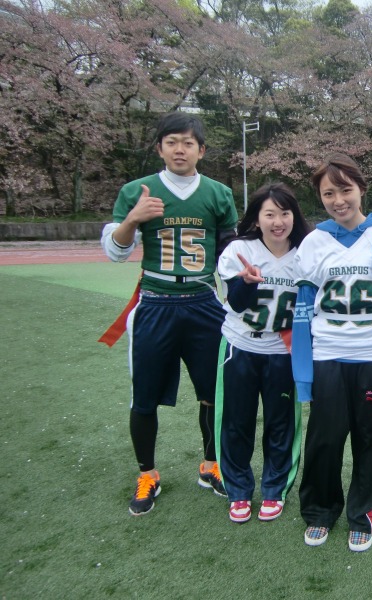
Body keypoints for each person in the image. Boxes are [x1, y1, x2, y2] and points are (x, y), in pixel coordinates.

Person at [100, 112, 238, 516]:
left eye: (188, 143)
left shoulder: (218, 193)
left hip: (203, 303)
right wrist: (133, 219)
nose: (180, 149)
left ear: (201, 150)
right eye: (172, 142)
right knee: (143, 396)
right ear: (159, 147)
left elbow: (229, 252)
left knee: (213, 392)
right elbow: (115, 251)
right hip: (156, 302)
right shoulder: (136, 191)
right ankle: (148, 473)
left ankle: (211, 465)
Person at [291, 152, 372, 552]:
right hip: (328, 354)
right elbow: (304, 308)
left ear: (362, 188)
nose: (338, 200)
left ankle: (364, 515)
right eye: (328, 193)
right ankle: (319, 510)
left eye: (345, 190)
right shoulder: (314, 241)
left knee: (371, 439)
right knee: (324, 439)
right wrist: (302, 369)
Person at [215, 183, 310, 524]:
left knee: (280, 423)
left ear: (294, 216)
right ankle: (238, 490)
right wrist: (245, 283)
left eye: (285, 213)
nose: (278, 221)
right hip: (241, 346)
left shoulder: (306, 253)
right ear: (257, 218)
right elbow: (237, 303)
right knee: (236, 421)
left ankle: (274, 489)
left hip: (282, 351)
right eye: (269, 214)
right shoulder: (240, 250)